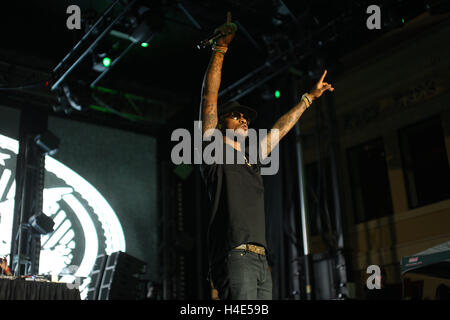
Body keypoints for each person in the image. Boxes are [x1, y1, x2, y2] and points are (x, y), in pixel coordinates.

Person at [199, 12, 334, 300]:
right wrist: (220, 50)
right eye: (236, 117)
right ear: (222, 124)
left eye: (246, 118)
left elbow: (279, 130)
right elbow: (209, 98)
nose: (244, 120)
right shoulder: (213, 149)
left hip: (260, 259)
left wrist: (308, 99)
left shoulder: (252, 158)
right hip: (234, 256)